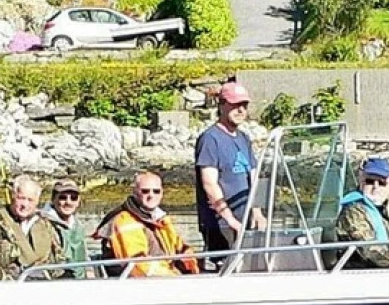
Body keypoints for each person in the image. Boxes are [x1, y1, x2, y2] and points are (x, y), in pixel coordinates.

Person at [194, 81, 266, 257]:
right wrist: (230, 220)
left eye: (244, 105)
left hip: (246, 220)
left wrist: (257, 212)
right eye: (235, 105)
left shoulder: (244, 138)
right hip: (220, 224)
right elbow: (210, 184)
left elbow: (253, 177)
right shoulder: (210, 139)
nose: (241, 110)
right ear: (222, 105)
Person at [94, 171, 199, 277]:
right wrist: (175, 276)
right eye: (145, 191)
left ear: (162, 193)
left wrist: (190, 265)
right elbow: (138, 265)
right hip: (141, 282)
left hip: (168, 277)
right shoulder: (125, 220)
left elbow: (180, 247)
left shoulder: (160, 218)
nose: (151, 195)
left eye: (156, 191)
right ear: (135, 192)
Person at [332, 156, 389, 269]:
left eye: (382, 182)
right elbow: (370, 251)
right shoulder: (353, 211)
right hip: (361, 271)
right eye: (370, 181)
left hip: (385, 268)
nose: (376, 187)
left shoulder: (386, 207)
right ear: (361, 181)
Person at [0, 174, 64, 280]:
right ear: (13, 196)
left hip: (44, 283)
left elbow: (59, 259)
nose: (25, 204)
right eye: (21, 198)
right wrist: (8, 278)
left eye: (30, 200)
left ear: (37, 202)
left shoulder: (46, 225)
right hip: (7, 285)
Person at [40, 178, 91, 275]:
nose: (68, 202)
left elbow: (85, 256)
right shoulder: (42, 225)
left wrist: (90, 271)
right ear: (53, 200)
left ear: (78, 201)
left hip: (81, 280)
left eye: (73, 198)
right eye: (62, 197)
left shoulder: (78, 225)